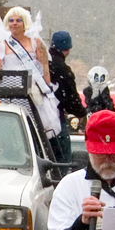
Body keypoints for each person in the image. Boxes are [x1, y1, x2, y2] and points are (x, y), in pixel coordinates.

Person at [0, 7, 59, 144]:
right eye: (11, 20)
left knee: (33, 130)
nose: (14, 23)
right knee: (11, 130)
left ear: (25, 22)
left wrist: (47, 89)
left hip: (31, 92)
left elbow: (44, 67)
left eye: (18, 20)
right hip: (10, 92)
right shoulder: (1, 44)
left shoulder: (36, 42)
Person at [46, 30, 85, 163]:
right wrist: (81, 112)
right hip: (56, 119)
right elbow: (71, 100)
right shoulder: (63, 69)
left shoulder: (41, 63)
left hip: (36, 117)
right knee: (62, 160)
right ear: (68, 49)